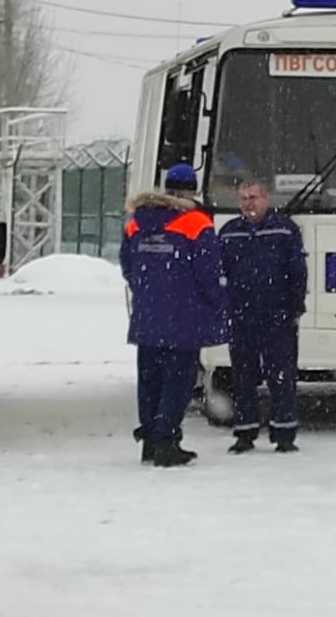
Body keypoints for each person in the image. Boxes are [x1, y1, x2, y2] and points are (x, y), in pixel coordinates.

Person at [120, 164, 228, 467]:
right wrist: (216, 302)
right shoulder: (195, 222)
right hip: (184, 318)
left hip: (147, 316)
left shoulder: (136, 222)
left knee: (149, 379)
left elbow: (128, 266)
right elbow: (209, 274)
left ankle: (150, 441)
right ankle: (167, 440)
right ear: (193, 189)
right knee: (177, 381)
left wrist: (149, 291)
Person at [219, 179, 308, 454]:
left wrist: (295, 307)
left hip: (277, 316)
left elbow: (297, 272)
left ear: (266, 198)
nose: (249, 203)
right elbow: (219, 273)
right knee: (243, 378)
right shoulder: (229, 232)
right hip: (242, 317)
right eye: (244, 198)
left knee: (281, 377)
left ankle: (284, 434)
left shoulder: (284, 229)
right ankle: (245, 433)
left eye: (254, 197)